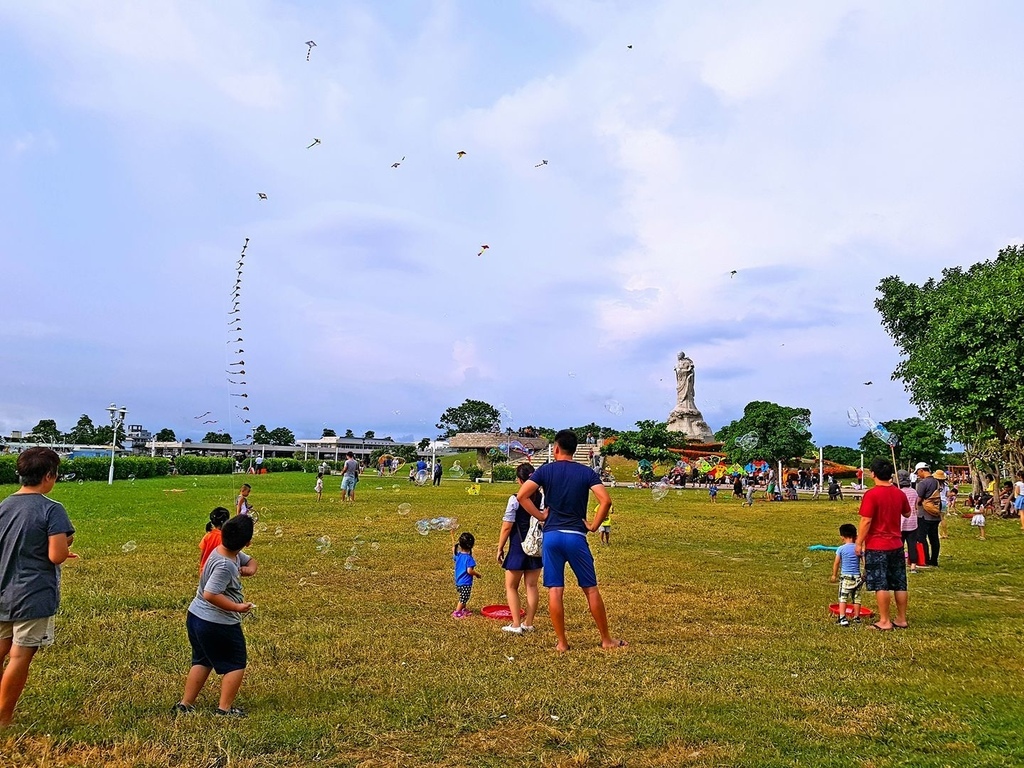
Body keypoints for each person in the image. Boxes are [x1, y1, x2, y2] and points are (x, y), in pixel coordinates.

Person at [516, 429, 626, 652]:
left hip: (552, 537)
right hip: (576, 536)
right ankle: (606, 640)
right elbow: (605, 501)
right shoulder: (586, 473)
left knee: (555, 591)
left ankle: (562, 642)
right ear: (575, 450)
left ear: (556, 448)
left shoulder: (546, 470)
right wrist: (593, 526)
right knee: (590, 589)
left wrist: (541, 516)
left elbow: (522, 496)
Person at [0, 448, 76, 727]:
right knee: (19, 656)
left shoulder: (4, 505)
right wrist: (65, 545)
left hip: (2, 589)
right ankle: (3, 718)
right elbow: (56, 555)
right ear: (49, 476)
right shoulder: (51, 508)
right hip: (32, 595)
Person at [174, 514, 257, 717]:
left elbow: (251, 562)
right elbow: (210, 594)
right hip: (217, 623)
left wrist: (248, 569)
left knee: (202, 660)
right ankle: (224, 709)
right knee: (235, 663)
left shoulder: (222, 550)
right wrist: (236, 607)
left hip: (196, 617)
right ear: (248, 542)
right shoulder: (225, 565)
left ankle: (185, 704)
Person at [855, 458, 911, 630]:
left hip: (877, 545)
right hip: (896, 544)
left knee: (881, 584)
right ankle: (901, 619)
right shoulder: (899, 493)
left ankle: (884, 621)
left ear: (873, 474)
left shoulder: (871, 494)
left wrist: (859, 543)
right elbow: (907, 513)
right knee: (900, 584)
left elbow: (866, 521)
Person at [496, 464, 544, 633]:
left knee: (511, 586)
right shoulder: (542, 498)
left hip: (518, 545)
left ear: (519, 480)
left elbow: (507, 527)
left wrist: (500, 547)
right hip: (536, 546)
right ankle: (528, 623)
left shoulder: (515, 499)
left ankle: (516, 624)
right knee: (531, 586)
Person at [830, 523, 863, 626]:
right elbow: (864, 561)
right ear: (855, 535)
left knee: (843, 597)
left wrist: (834, 575)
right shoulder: (858, 548)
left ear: (842, 537)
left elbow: (836, 563)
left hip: (845, 578)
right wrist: (865, 573)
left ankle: (842, 618)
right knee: (856, 598)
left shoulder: (841, 549)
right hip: (857, 577)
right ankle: (857, 618)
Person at [913, 462, 941, 567]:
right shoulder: (936, 482)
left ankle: (924, 559)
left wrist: (915, 507)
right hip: (935, 514)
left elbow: (919, 499)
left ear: (921, 470)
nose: (918, 475)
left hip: (924, 515)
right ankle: (934, 560)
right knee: (934, 538)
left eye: (918, 472)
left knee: (921, 538)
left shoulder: (923, 483)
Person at [897, 470, 921, 574]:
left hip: (901, 522)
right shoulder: (914, 492)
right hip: (913, 521)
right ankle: (913, 566)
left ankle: (899, 564)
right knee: (912, 545)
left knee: (899, 545)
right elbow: (916, 506)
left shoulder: (899, 492)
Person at [452, 532, 481, 618]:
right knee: (463, 598)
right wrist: (477, 574)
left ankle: (463, 609)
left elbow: (454, 557)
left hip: (459, 582)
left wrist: (453, 550)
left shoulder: (458, 555)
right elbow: (469, 571)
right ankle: (457, 613)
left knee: (464, 596)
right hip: (465, 582)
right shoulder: (469, 558)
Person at [199, 507, 231, 574]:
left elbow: (202, 554)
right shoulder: (225, 538)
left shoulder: (208, 535)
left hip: (204, 571)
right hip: (218, 572)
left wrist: (201, 567)